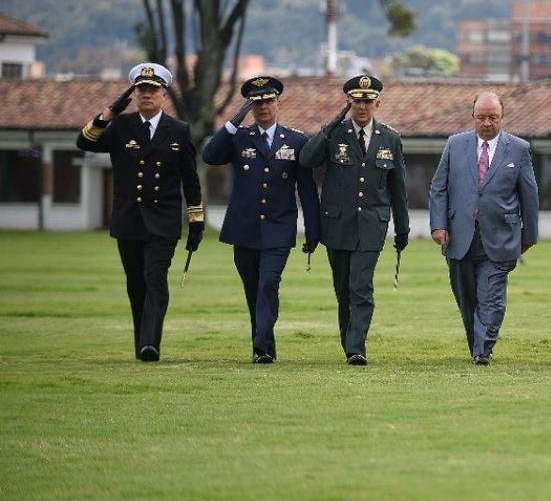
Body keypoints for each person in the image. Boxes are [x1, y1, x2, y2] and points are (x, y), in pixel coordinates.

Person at [75, 63, 203, 362]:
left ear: (163, 94)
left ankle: (150, 343)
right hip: (129, 218)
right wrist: (110, 111)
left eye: (153, 89)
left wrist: (195, 220)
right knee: (136, 283)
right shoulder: (121, 126)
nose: (147, 95)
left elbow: (190, 179)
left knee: (154, 277)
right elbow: (84, 142)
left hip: (164, 219)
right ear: (133, 93)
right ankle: (141, 342)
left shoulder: (179, 130)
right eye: (141, 89)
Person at [202, 76, 321, 364]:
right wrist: (234, 120)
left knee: (269, 283)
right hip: (244, 228)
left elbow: (306, 190)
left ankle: (262, 346)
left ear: (278, 103)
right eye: (257, 103)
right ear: (249, 107)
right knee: (253, 288)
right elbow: (210, 155)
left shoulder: (296, 140)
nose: (264, 107)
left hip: (279, 228)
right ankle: (263, 342)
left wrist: (314, 231)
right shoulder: (238, 137)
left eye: (268, 101)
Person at [297, 75, 409, 366]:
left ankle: (356, 347)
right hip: (337, 224)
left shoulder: (390, 138)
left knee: (361, 287)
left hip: (372, 224)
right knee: (343, 289)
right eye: (357, 101)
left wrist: (403, 228)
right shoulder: (334, 134)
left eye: (368, 101)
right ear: (348, 102)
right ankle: (349, 340)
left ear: (378, 103)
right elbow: (306, 160)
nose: (363, 106)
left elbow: (398, 188)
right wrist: (328, 127)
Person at [429, 92, 540, 365]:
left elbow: (529, 195)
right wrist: (438, 225)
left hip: (501, 237)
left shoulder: (518, 149)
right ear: (473, 117)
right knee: (467, 298)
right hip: (459, 235)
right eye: (482, 117)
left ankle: (483, 350)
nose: (487, 123)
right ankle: (476, 344)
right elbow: (438, 187)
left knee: (491, 296)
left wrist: (529, 236)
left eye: (493, 117)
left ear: (502, 117)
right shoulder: (455, 145)